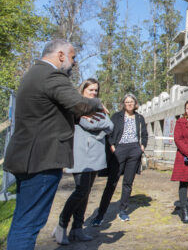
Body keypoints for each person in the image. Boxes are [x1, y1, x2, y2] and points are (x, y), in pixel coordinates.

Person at [4, 39, 105, 250]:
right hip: (41, 160)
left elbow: (46, 114)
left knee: (23, 220)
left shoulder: (34, 74)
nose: (74, 62)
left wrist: (76, 118)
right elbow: (80, 103)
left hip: (27, 157)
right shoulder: (51, 75)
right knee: (30, 224)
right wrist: (97, 104)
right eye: (73, 57)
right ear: (60, 55)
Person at [52, 78, 114, 245]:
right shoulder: (76, 108)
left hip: (95, 155)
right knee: (81, 190)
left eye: (96, 91)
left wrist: (95, 122)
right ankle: (61, 224)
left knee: (86, 192)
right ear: (82, 91)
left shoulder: (98, 108)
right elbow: (87, 124)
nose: (93, 93)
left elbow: (110, 125)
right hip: (81, 155)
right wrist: (89, 121)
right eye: (90, 90)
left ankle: (77, 228)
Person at [90, 93, 148, 225]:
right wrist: (112, 146)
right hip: (119, 150)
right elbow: (108, 132)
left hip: (134, 150)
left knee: (128, 183)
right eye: (127, 102)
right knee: (112, 183)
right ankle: (101, 214)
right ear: (123, 103)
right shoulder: (117, 116)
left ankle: (123, 210)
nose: (129, 104)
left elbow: (144, 134)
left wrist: (142, 147)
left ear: (135, 103)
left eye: (131, 102)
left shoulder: (139, 118)